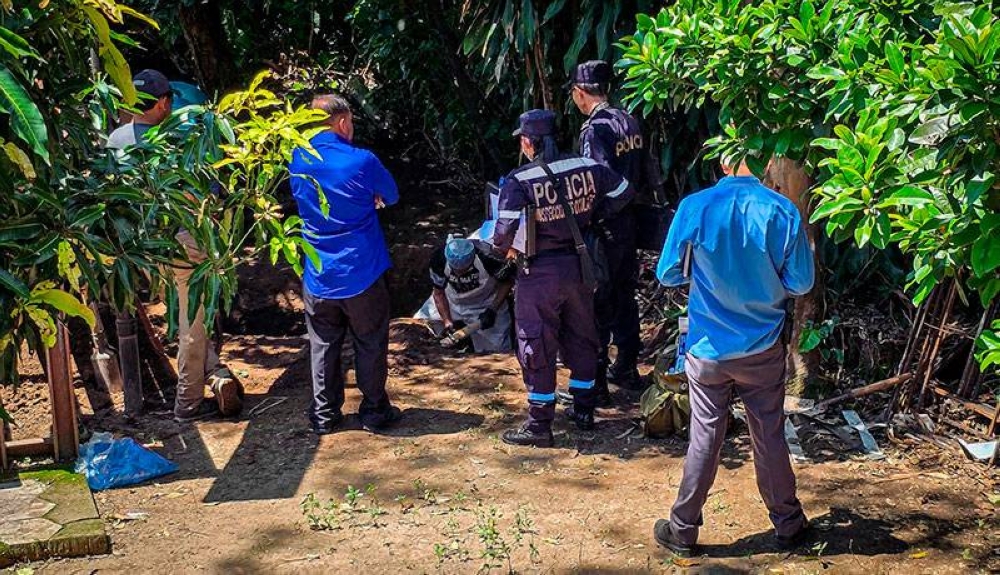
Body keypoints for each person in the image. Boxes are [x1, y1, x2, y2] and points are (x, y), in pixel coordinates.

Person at [651, 158, 815, 556]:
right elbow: (801, 282)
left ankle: (683, 528)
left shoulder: (695, 206)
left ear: (723, 160)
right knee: (769, 435)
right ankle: (788, 523)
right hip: (762, 349)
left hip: (708, 350)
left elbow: (667, 273)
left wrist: (704, 272)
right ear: (762, 163)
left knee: (705, 436)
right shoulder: (781, 210)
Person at [492, 109, 635, 447]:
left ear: (528, 142)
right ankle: (584, 410)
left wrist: (507, 250)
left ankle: (540, 424)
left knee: (536, 341)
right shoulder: (587, 168)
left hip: (539, 272)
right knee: (583, 336)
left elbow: (502, 236)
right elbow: (625, 190)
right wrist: (595, 219)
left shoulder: (520, 180)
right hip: (581, 266)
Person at [107, 69, 242, 423]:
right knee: (191, 323)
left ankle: (216, 375)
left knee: (185, 317)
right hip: (186, 239)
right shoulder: (184, 136)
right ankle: (188, 404)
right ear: (165, 103)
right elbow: (213, 189)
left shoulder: (117, 140)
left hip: (142, 247)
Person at [288, 94, 402, 435]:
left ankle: (324, 414)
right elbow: (391, 194)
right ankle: (374, 410)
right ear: (342, 123)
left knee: (323, 343)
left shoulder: (297, 158)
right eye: (350, 123)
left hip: (319, 271)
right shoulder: (361, 161)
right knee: (369, 340)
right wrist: (370, 197)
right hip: (361, 269)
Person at [567, 60, 662, 401]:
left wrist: (589, 218)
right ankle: (626, 365)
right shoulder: (628, 119)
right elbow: (647, 169)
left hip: (608, 225)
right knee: (625, 293)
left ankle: (597, 382)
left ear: (580, 94)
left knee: (600, 298)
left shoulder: (594, 130)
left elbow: (598, 179)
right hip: (632, 222)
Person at [429, 236, 515, 353]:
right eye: (455, 270)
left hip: (487, 303)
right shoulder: (438, 259)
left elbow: (507, 282)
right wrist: (447, 322)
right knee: (432, 331)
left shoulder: (488, 256)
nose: (458, 274)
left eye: (463, 270)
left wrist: (492, 310)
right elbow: (438, 293)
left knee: (496, 349)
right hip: (452, 302)